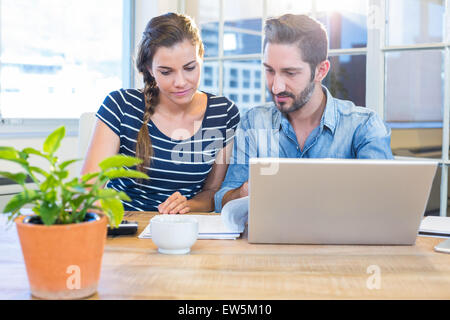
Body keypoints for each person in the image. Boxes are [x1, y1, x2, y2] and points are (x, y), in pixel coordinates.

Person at [214, 14, 393, 213]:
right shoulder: (254, 121)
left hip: (341, 243)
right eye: (269, 71)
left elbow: (385, 205)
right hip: (270, 242)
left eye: (290, 73)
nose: (276, 87)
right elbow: (223, 198)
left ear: (321, 71)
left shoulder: (364, 126)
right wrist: (243, 192)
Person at [81, 13, 240, 214]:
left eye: (190, 68)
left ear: (201, 56)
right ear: (150, 69)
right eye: (166, 72)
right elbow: (87, 191)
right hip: (125, 227)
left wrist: (188, 205)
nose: (180, 82)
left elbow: (213, 192)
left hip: (184, 228)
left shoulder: (223, 113)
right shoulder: (121, 106)